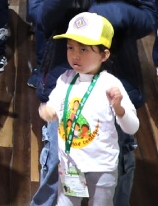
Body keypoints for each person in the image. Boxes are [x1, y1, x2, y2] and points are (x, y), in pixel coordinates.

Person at [29, 0, 156, 206]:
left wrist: (114, 11)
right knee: (58, 161)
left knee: (119, 161)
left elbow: (148, 19)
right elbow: (41, 20)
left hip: (116, 80)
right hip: (65, 76)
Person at [39, 12, 140, 205]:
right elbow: (52, 105)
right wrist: (48, 111)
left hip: (102, 167)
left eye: (84, 50)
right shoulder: (65, 79)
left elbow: (132, 127)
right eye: (70, 47)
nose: (75, 55)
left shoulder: (110, 84)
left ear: (104, 54)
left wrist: (119, 108)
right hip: (70, 164)